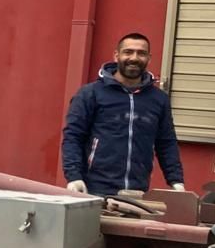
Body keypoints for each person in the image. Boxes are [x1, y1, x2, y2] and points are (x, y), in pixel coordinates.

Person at [61, 32, 186, 198]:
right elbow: (73, 137)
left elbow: (166, 143)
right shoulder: (91, 93)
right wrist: (73, 176)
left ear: (149, 58)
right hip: (93, 191)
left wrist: (176, 181)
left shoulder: (158, 99)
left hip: (137, 193)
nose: (134, 58)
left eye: (141, 53)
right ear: (116, 55)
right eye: (128, 52)